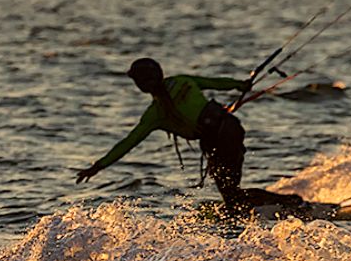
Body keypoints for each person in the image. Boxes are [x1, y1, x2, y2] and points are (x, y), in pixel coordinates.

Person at [76, 57, 288, 213]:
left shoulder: (155, 114)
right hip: (231, 128)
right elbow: (216, 82)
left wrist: (97, 166)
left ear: (140, 85)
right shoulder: (181, 81)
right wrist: (240, 84)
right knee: (231, 190)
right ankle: (268, 209)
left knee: (231, 193)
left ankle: (287, 205)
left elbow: (128, 143)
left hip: (220, 139)